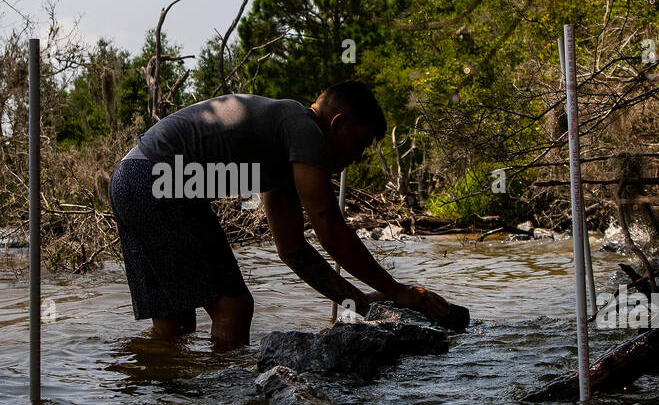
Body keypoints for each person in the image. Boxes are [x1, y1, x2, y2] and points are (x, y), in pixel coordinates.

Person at [107, 79, 469, 348]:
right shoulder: (304, 127)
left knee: (175, 323)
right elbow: (330, 229)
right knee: (234, 306)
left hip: (130, 179)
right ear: (338, 124)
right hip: (158, 179)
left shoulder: (281, 148)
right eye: (359, 143)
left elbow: (294, 250)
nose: (357, 158)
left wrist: (358, 302)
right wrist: (397, 290)